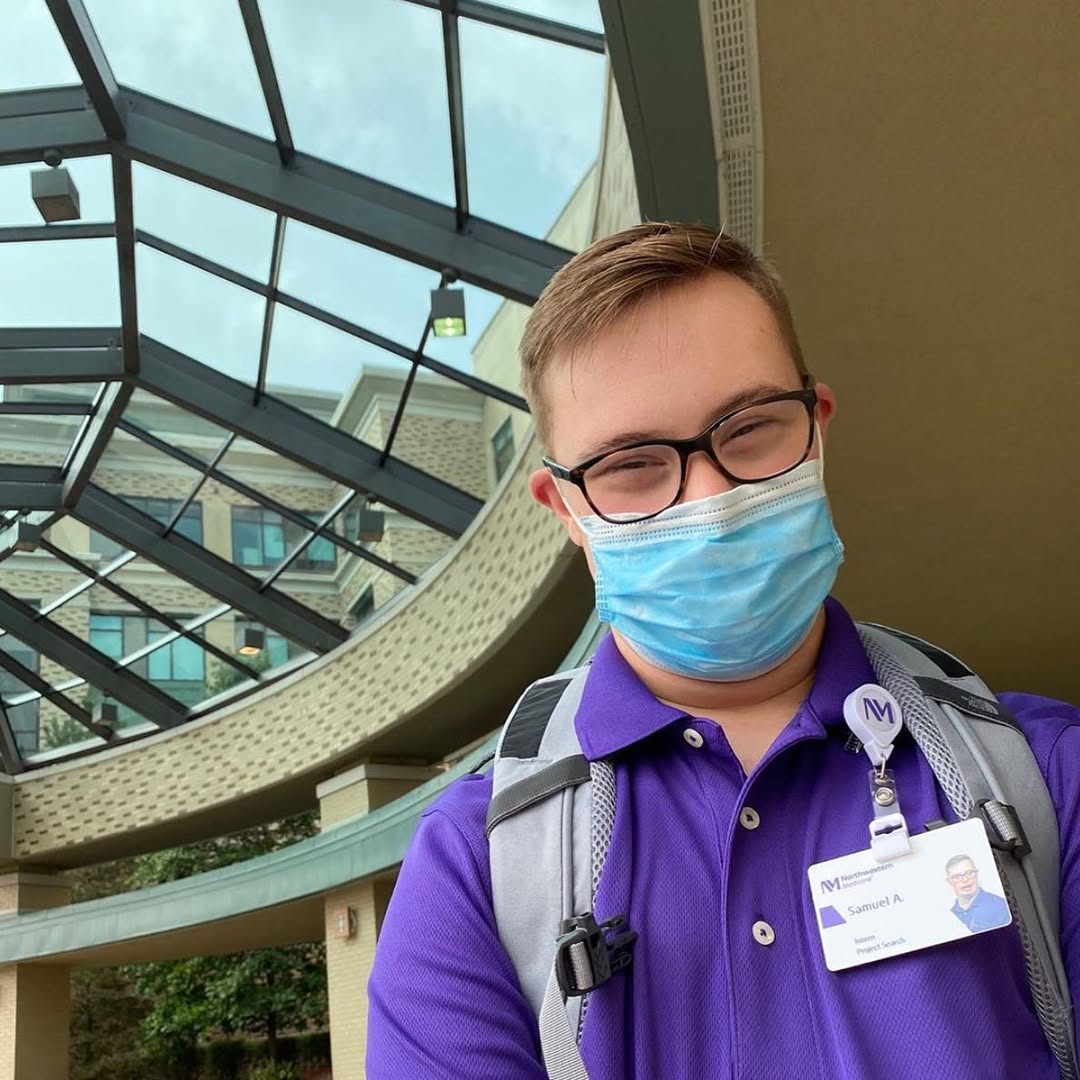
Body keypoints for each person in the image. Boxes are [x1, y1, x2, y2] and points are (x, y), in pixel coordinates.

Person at [367, 222, 1080, 1078]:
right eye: (633, 464)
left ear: (816, 429)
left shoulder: (1046, 776)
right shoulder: (473, 868)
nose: (710, 497)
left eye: (748, 429)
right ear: (565, 510)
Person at [946, 854, 1012, 932]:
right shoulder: (949, 915)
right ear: (949, 881)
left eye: (969, 873)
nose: (965, 879)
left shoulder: (1000, 905)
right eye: (957, 877)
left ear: (977, 874)